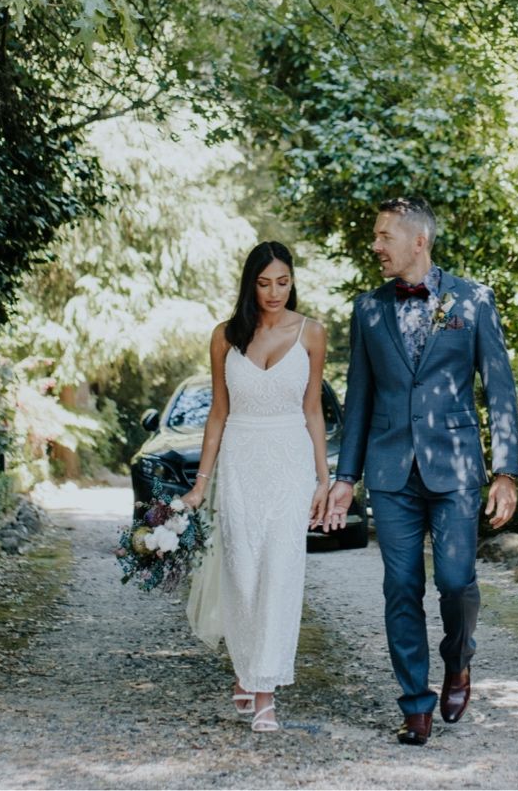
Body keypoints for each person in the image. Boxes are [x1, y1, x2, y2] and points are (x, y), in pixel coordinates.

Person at [316, 197, 518, 745]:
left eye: (384, 236)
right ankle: (415, 704)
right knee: (400, 588)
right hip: (389, 472)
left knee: (456, 583)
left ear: (418, 241)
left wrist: (506, 471)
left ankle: (459, 659)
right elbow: (359, 398)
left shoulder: (473, 300)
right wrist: (345, 478)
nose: (376, 246)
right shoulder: (368, 309)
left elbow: (498, 388)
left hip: (454, 468)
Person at [176, 240, 330, 733]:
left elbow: (313, 410)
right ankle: (245, 668)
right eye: (264, 283)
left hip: (290, 462)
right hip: (241, 462)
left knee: (280, 569)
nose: (274, 292)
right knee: (242, 573)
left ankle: (265, 690)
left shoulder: (312, 333)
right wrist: (200, 484)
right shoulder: (225, 336)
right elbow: (218, 414)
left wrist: (325, 481)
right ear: (250, 284)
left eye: (283, 282)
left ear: (292, 281)